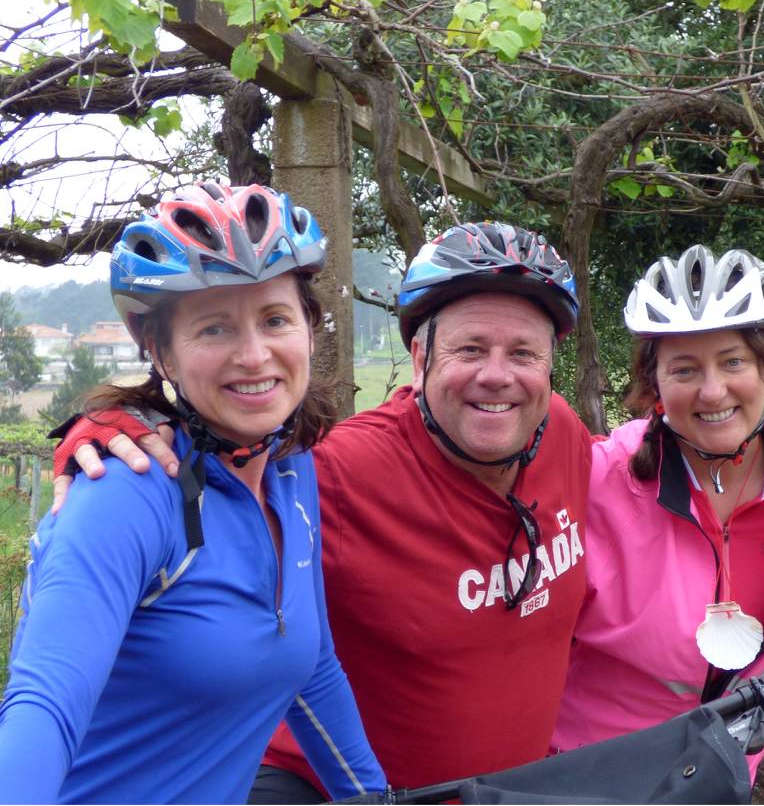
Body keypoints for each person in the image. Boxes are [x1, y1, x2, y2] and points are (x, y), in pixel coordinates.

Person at [48, 221, 593, 800]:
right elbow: (232, 459)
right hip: (327, 787)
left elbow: (646, 474)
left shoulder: (562, 432)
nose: (497, 375)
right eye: (470, 349)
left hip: (515, 790)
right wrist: (128, 426)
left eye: (524, 353)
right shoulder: (338, 471)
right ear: (419, 356)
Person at [0, 183, 386, 804]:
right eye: (214, 329)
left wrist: (369, 796)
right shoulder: (121, 491)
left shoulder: (292, 469)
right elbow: (45, 700)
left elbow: (310, 670)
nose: (254, 355)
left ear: (310, 330)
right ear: (161, 353)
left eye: (276, 319)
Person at [551, 245, 764, 787]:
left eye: (732, 361)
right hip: (591, 767)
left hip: (724, 767)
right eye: (684, 369)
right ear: (655, 386)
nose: (711, 390)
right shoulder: (598, 480)